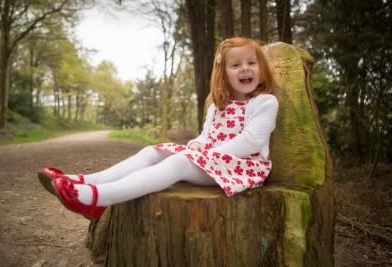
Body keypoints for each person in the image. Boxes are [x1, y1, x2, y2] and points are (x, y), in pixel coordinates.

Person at [38, 37, 279, 220]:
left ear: (261, 69)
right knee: (152, 151)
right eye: (236, 65)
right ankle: (83, 181)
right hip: (212, 161)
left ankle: (100, 199)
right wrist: (198, 144)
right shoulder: (218, 106)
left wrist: (208, 155)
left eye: (251, 63)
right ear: (224, 74)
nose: (245, 68)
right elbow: (207, 135)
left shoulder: (264, 102)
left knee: (179, 163)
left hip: (241, 167)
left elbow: (250, 141)